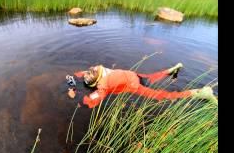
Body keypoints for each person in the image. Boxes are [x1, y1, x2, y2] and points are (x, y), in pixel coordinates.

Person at [73, 63, 217, 108]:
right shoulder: (99, 69)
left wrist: (78, 101)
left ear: (96, 82)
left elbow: (94, 99)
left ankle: (202, 93)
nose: (87, 74)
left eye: (88, 76)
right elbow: (86, 72)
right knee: (151, 78)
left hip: (133, 84)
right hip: (132, 74)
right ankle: (172, 70)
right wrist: (76, 75)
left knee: (162, 96)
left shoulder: (102, 85)